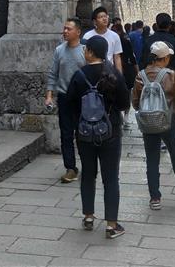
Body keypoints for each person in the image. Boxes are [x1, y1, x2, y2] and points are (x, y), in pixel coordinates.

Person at [67, 35, 130, 239]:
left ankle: (88, 216)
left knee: (88, 174)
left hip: (84, 133)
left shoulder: (79, 75)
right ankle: (111, 225)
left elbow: (70, 104)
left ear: (92, 52)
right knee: (111, 177)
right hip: (110, 131)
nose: (84, 52)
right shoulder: (114, 74)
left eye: (86, 49)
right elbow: (123, 104)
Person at [132, 40, 175, 210]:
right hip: (169, 121)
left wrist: (146, 112)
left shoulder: (141, 76)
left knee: (152, 160)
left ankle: (155, 198)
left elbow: (135, 102)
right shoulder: (171, 75)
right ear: (165, 58)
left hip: (149, 122)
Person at [45, 17, 86, 183]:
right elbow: (53, 74)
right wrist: (49, 95)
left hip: (83, 98)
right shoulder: (59, 50)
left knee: (83, 133)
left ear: (78, 32)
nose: (65, 31)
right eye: (64, 28)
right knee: (66, 134)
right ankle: (70, 168)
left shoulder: (85, 50)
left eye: (69, 29)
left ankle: (88, 165)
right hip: (64, 97)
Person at [82, 6, 123, 73]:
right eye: (101, 17)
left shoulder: (115, 36)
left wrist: (120, 76)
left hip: (109, 73)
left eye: (105, 16)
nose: (104, 19)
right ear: (95, 21)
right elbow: (83, 56)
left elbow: (117, 57)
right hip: (92, 71)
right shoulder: (87, 36)